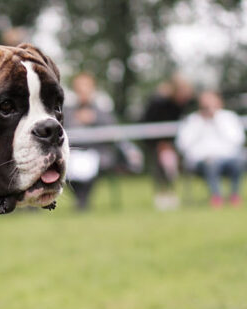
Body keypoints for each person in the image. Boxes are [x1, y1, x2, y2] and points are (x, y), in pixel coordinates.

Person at [63, 72, 143, 210]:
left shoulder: (102, 110)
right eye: (80, 88)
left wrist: (94, 119)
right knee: (66, 166)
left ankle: (82, 200)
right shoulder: (67, 111)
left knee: (93, 164)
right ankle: (81, 199)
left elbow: (113, 131)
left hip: (98, 152)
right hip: (73, 152)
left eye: (86, 87)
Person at [175, 91, 247, 207]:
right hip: (202, 160)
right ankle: (216, 197)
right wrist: (201, 124)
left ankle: (234, 196)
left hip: (228, 157)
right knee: (211, 163)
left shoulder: (228, 117)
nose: (208, 106)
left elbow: (238, 140)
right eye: (205, 102)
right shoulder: (193, 120)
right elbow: (182, 144)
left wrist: (216, 120)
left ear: (219, 102)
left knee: (240, 161)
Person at [142, 74, 194, 210]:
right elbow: (150, 121)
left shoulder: (187, 104)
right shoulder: (160, 103)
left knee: (173, 169)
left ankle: (172, 194)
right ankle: (162, 195)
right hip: (157, 141)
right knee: (160, 168)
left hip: (177, 142)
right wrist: (161, 143)